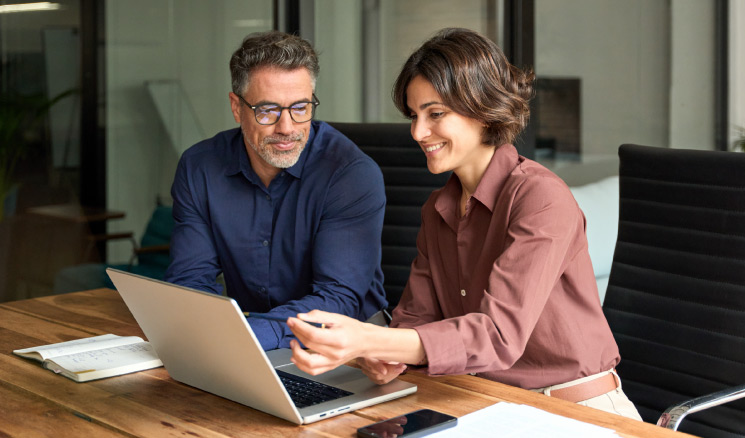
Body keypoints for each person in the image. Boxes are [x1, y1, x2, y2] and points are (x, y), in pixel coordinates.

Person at [285, 28, 642, 420]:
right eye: (415, 115)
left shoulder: (540, 198)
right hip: (489, 404)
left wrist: (374, 338)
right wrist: (386, 355)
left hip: (578, 411)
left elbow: (498, 335)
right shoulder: (438, 209)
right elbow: (415, 317)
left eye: (435, 114)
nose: (418, 132)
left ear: (483, 108)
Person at [164, 31, 388, 351]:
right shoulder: (200, 167)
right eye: (267, 110)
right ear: (237, 107)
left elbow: (337, 299)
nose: (287, 128)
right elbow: (190, 281)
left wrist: (243, 337)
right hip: (249, 343)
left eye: (300, 108)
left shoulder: (349, 173)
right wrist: (216, 338)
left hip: (347, 350)